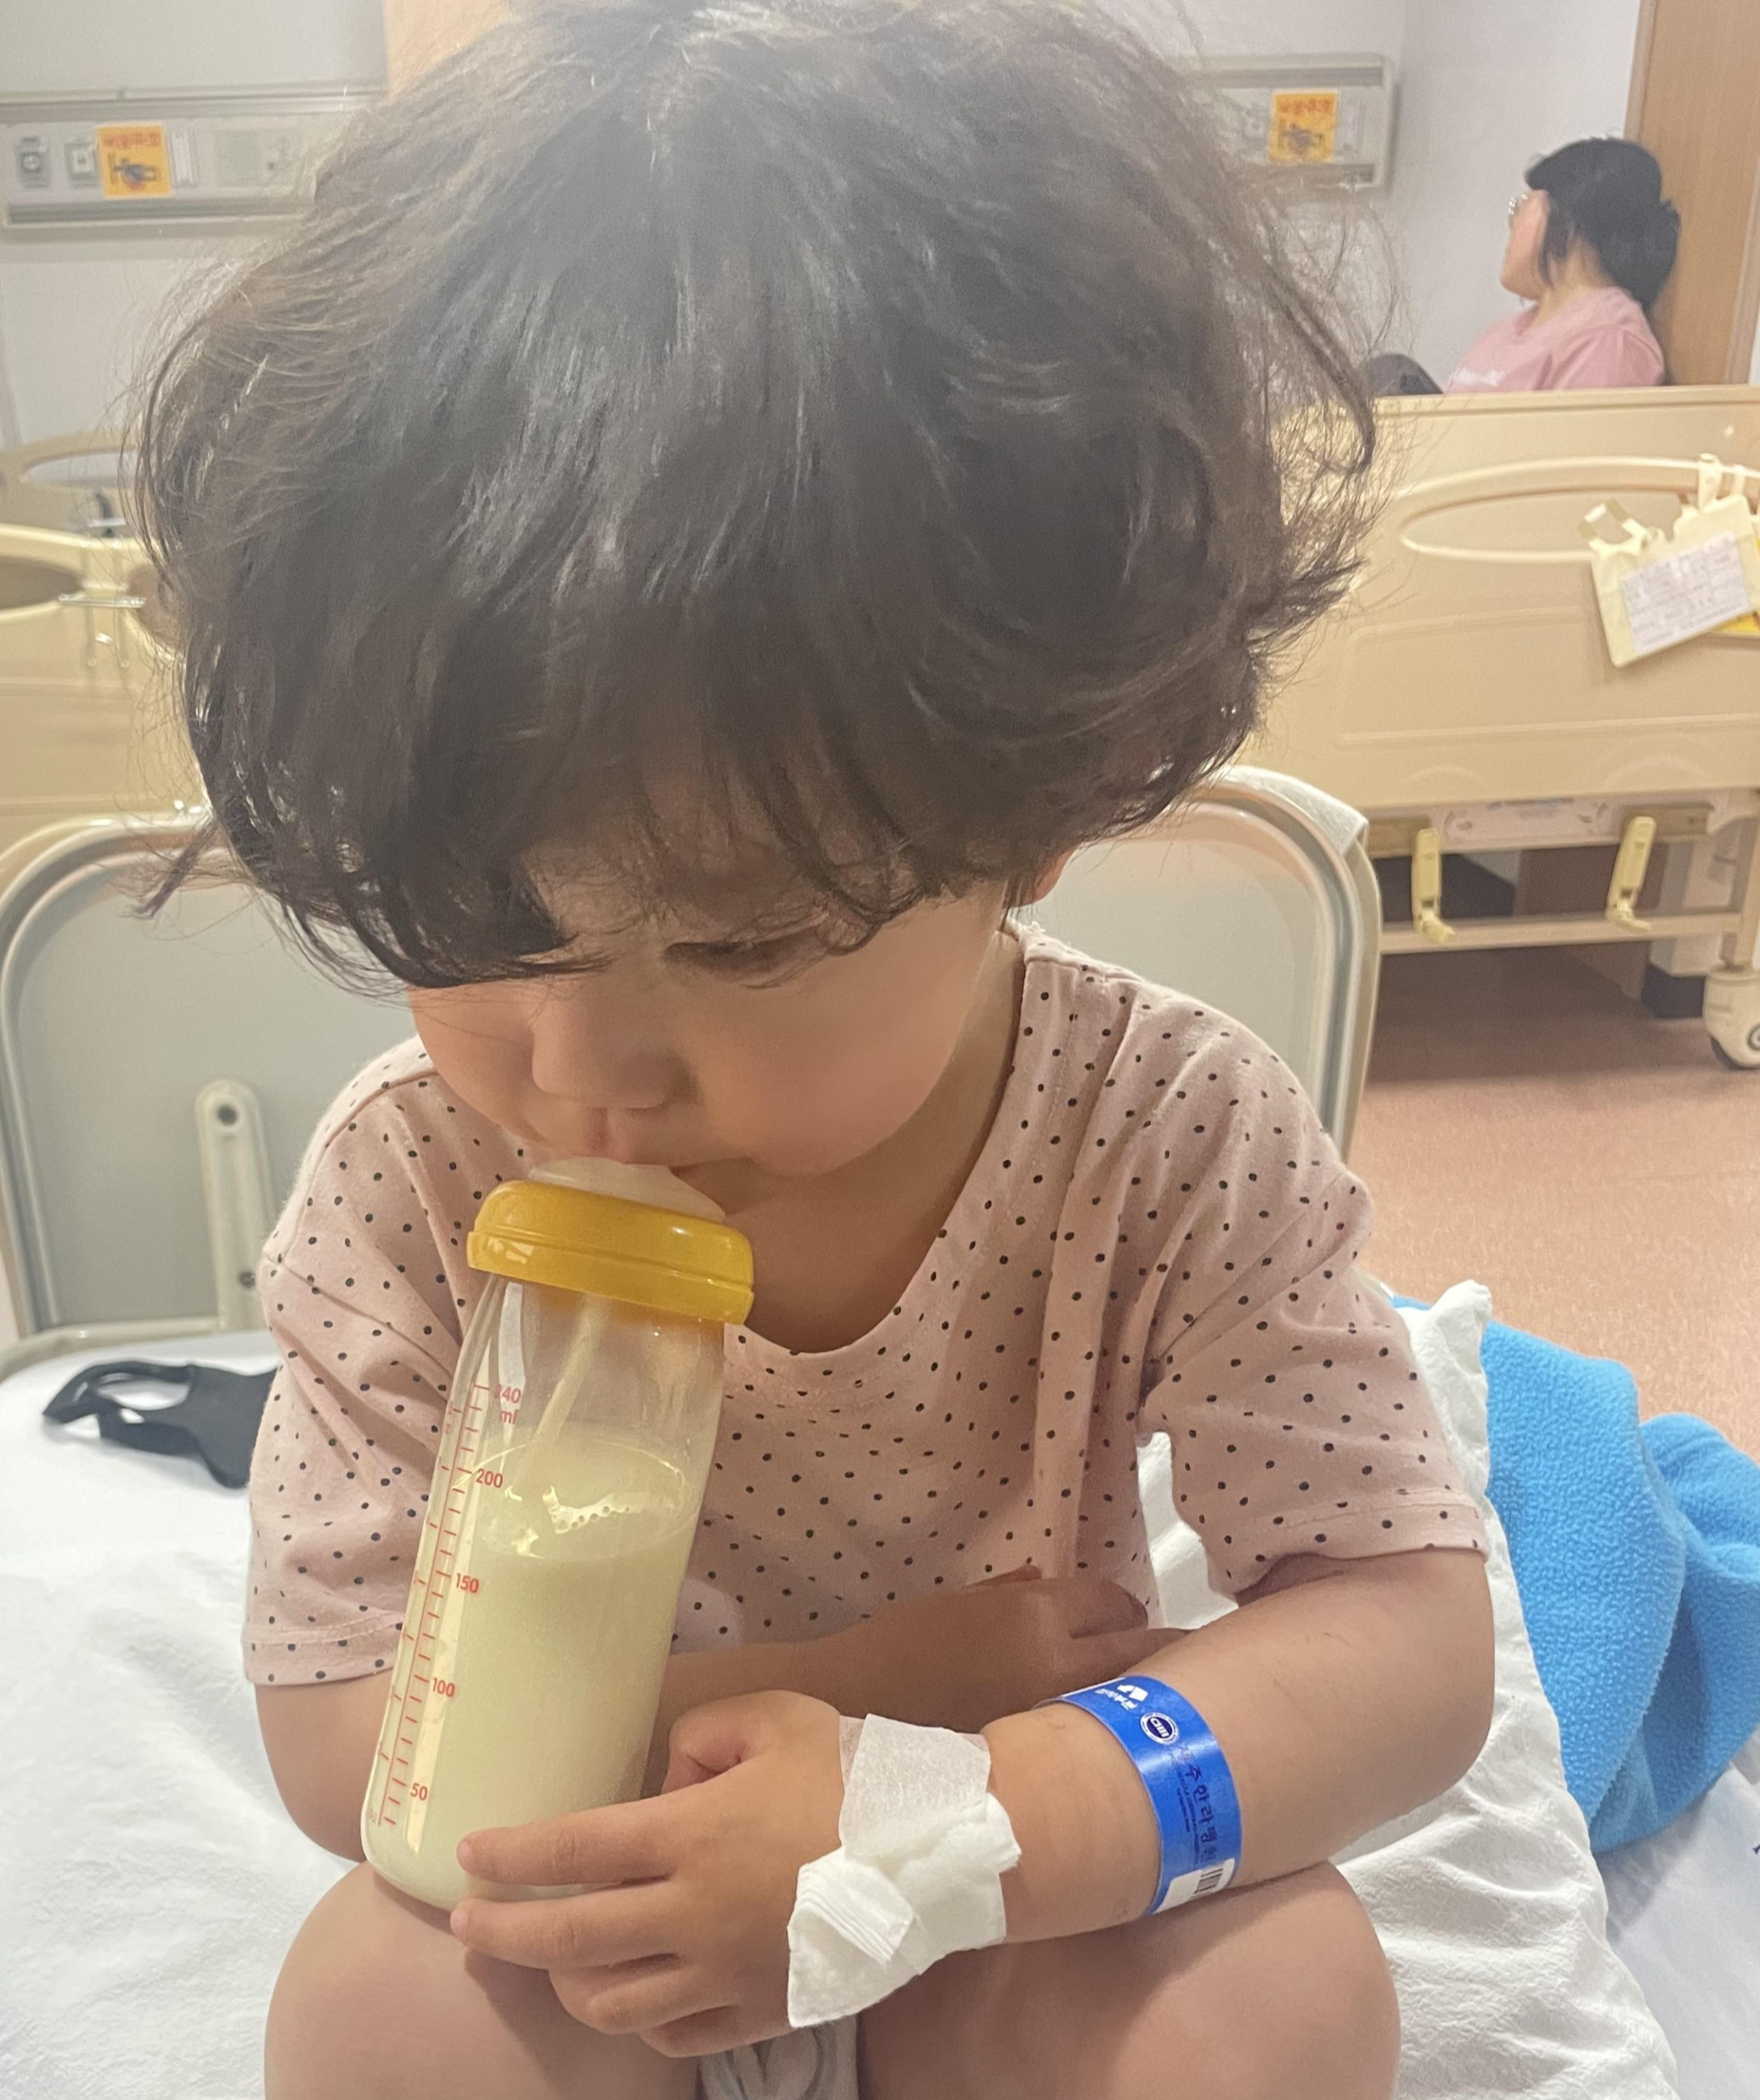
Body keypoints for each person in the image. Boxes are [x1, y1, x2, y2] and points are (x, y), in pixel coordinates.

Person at [137, 5, 1496, 2096]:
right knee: (376, 2016)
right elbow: (344, 1734)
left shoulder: (1163, 1131)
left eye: (742, 940)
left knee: (1280, 1996)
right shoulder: (413, 1182)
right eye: (474, 932)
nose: (584, 1076)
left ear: (1041, 808)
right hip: (582, 1867)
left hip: (1013, 1864)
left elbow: (1402, 1638)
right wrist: (858, 1685)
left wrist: (960, 1809)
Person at [1448, 138, 1680, 391]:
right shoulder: (1502, 332)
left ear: (1567, 218)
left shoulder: (1608, 339)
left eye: (1522, 205)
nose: (1511, 225)